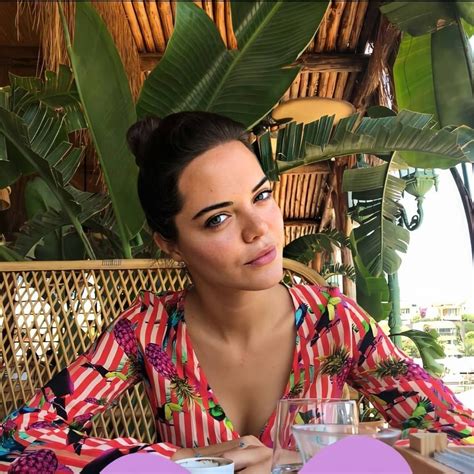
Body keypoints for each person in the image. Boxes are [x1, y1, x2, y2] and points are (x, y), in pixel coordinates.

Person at [0, 111, 473, 473]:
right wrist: (192, 459)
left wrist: (347, 445)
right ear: (170, 243)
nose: (258, 229)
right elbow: (15, 441)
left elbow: (458, 431)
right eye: (218, 218)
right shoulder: (147, 331)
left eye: (262, 195)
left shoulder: (334, 322)